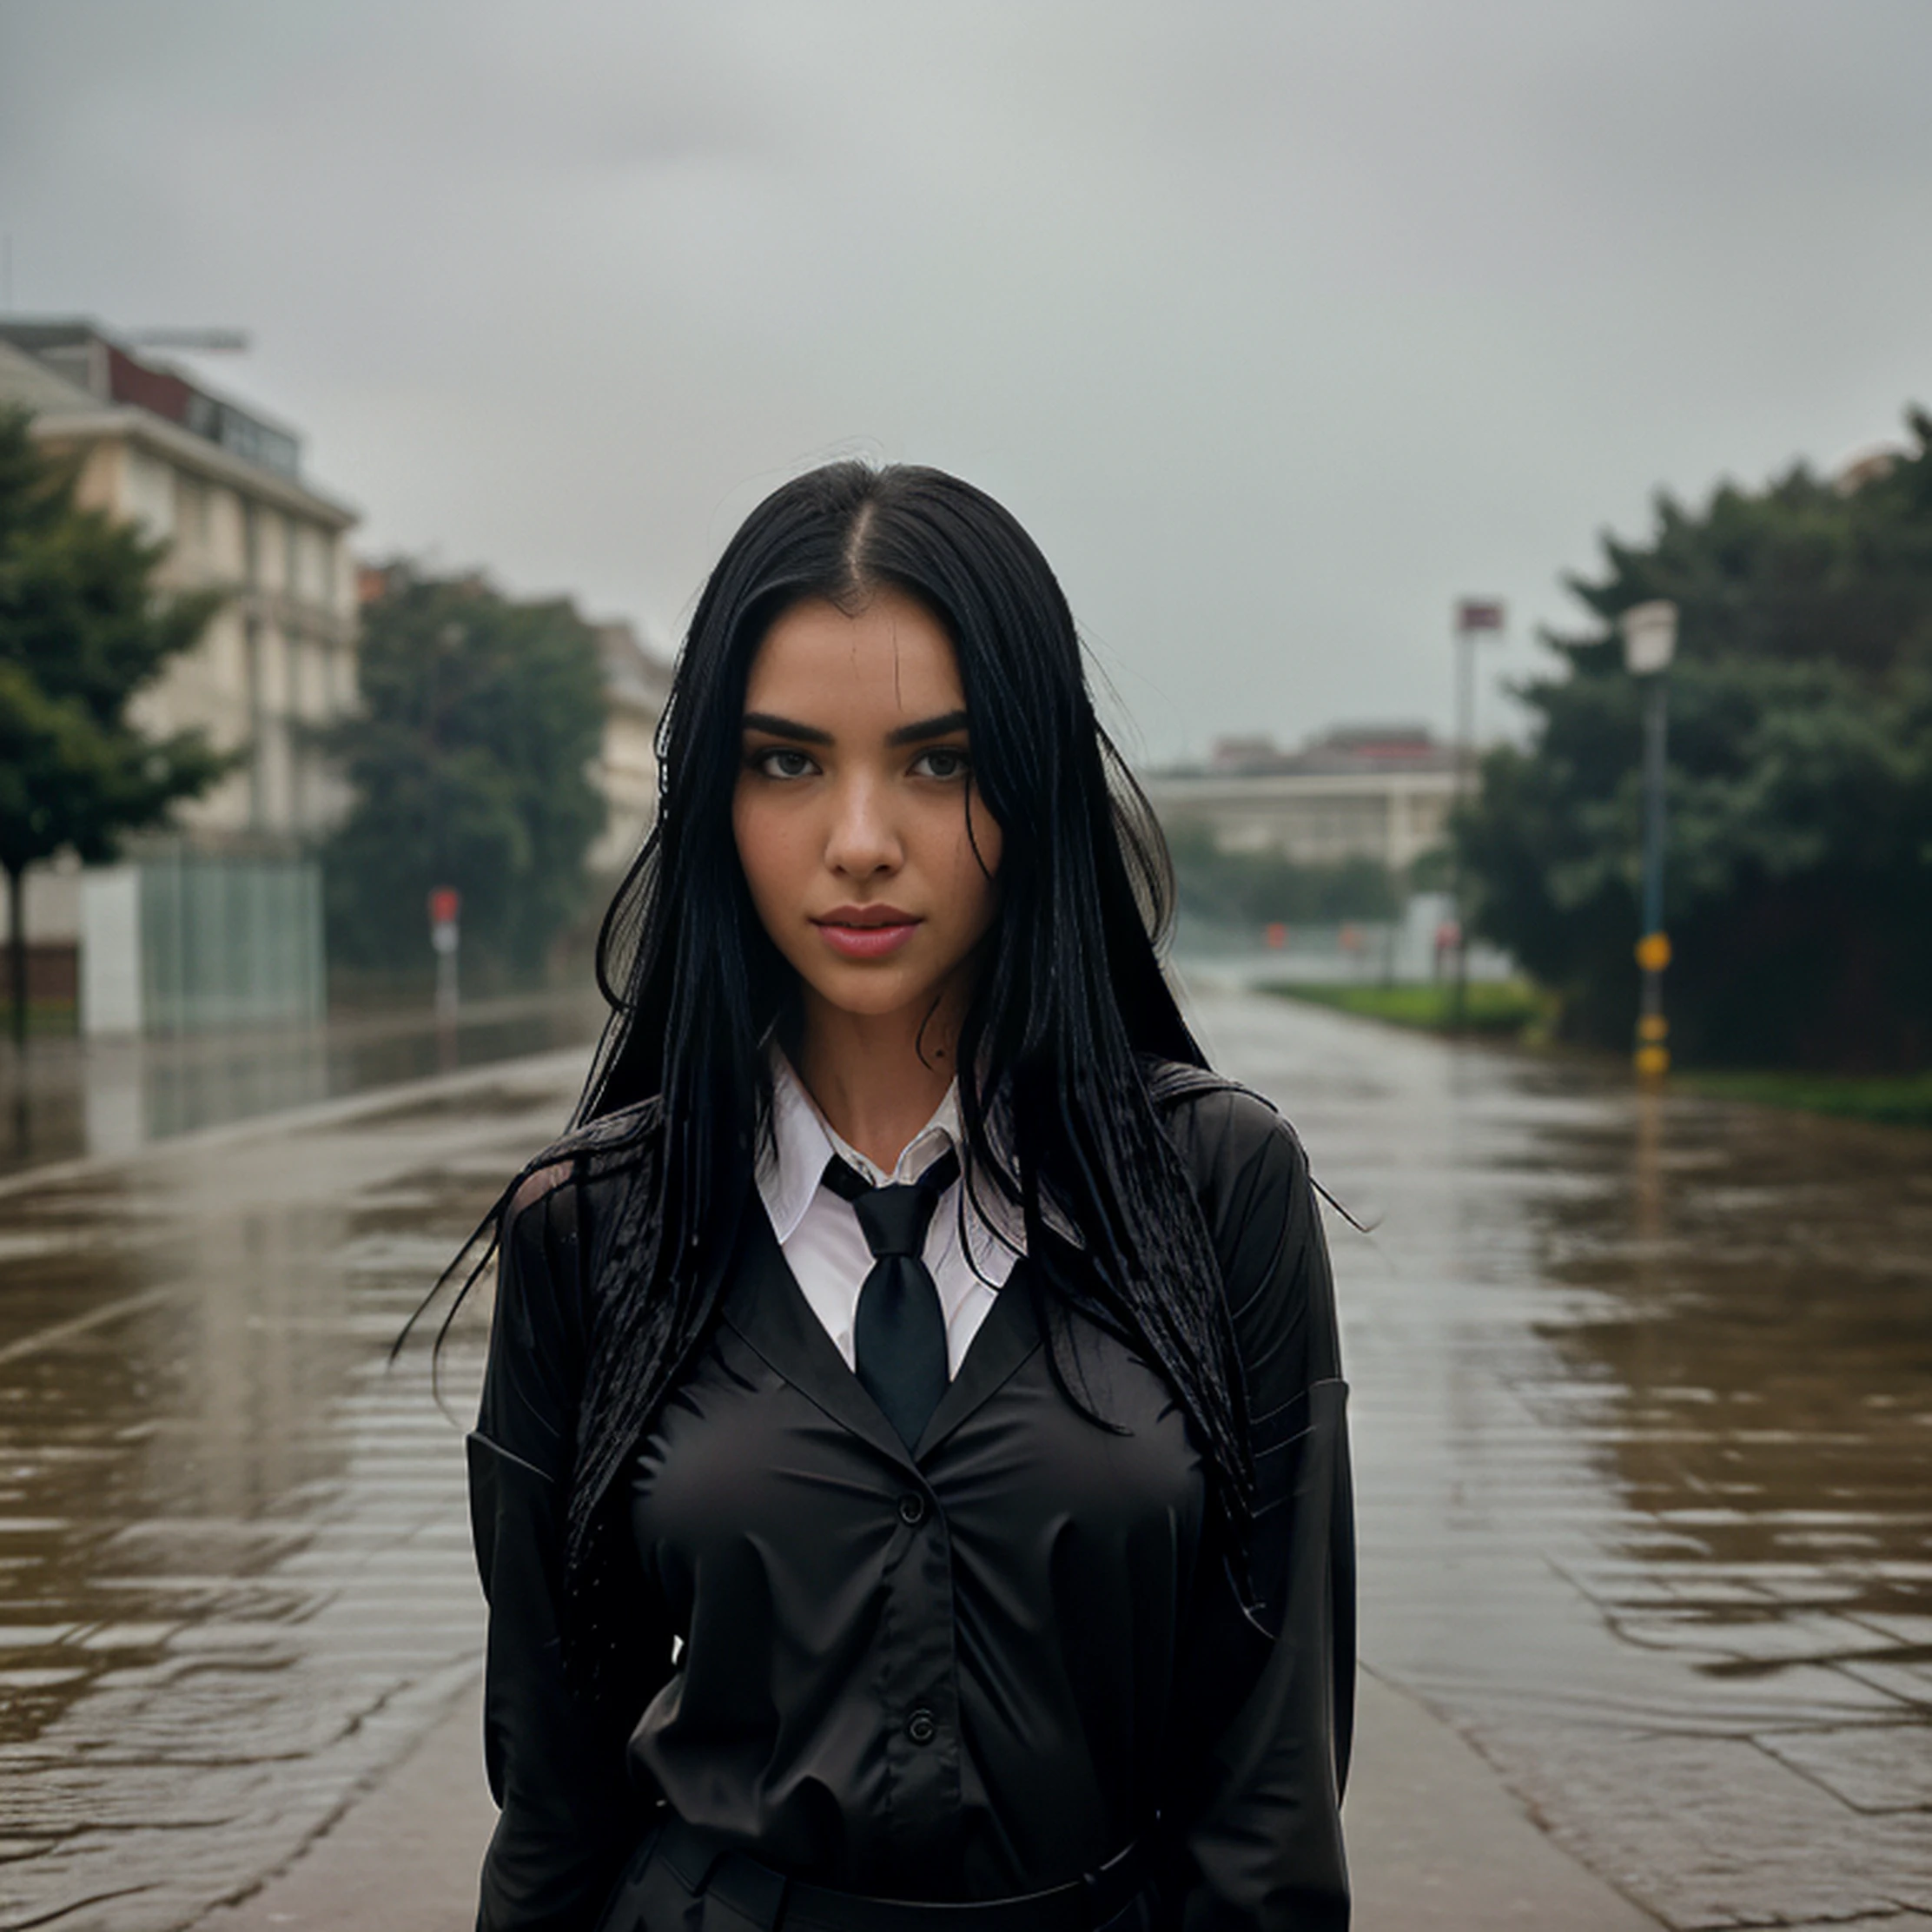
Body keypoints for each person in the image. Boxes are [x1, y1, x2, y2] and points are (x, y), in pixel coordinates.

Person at [464, 462, 1353, 1932]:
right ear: (713, 800)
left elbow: (1269, 1802)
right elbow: (554, 1807)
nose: (862, 839)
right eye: (787, 762)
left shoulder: (1221, 1191)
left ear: (1035, 786)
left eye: (937, 762)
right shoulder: (589, 1227)